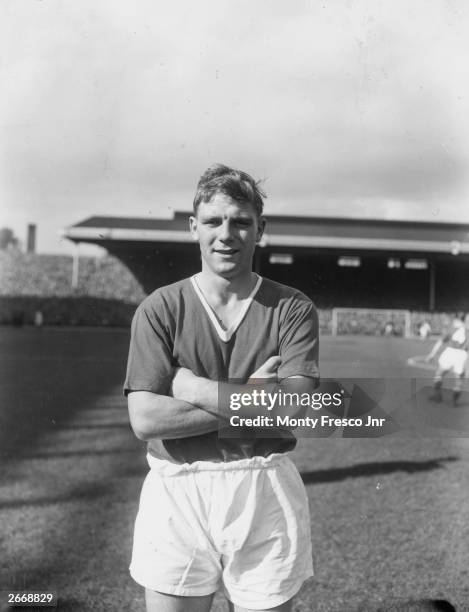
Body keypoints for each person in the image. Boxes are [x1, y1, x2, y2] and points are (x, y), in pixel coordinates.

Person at [124, 163, 319, 612]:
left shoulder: (292, 308)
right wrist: (253, 394)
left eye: (240, 222)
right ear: (194, 227)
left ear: (260, 229)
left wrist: (191, 387)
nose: (226, 234)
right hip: (177, 489)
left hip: (263, 486)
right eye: (213, 221)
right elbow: (146, 419)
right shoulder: (161, 308)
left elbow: (295, 411)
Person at [426, 312, 468, 406]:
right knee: (459, 380)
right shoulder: (467, 330)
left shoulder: (451, 328)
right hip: (462, 354)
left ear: (456, 318)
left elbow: (440, 342)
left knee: (439, 373)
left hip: (451, 352)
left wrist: (432, 354)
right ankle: (455, 401)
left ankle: (437, 395)